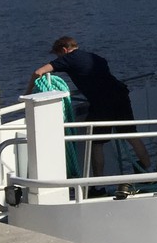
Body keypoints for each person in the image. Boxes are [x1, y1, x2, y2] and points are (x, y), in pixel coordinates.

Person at [31, 37, 149, 175]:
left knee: (96, 143)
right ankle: (147, 170)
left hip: (102, 103)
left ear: (64, 50)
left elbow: (38, 72)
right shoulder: (97, 58)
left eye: (58, 55)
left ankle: (97, 182)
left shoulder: (68, 58)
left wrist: (27, 93)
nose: (59, 58)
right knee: (131, 135)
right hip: (120, 96)